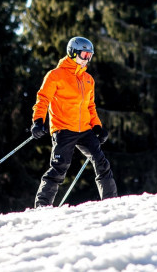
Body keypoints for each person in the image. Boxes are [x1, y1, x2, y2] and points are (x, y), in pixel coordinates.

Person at [31, 36, 118, 207]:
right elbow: (43, 99)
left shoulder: (88, 79)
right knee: (59, 168)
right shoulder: (55, 75)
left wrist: (97, 127)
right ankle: (42, 206)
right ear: (72, 53)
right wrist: (38, 121)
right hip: (63, 129)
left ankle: (111, 202)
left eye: (90, 56)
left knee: (101, 162)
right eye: (84, 55)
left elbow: (90, 106)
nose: (87, 59)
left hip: (85, 130)